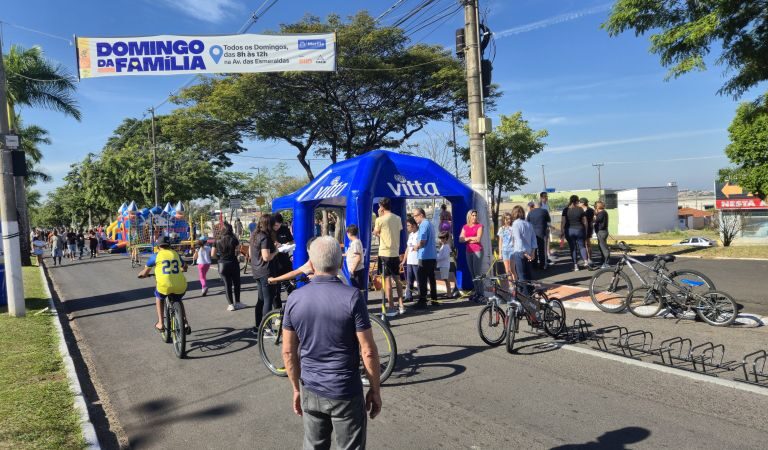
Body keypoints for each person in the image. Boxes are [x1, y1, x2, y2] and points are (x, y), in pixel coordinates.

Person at [281, 236, 381, 449]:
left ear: (311, 262)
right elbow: (368, 351)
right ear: (339, 263)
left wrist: (296, 389)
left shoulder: (295, 299)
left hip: (310, 387)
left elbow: (288, 352)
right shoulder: (352, 297)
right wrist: (375, 389)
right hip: (345, 389)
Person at [137, 236, 190, 335]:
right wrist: (182, 269)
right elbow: (185, 267)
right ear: (169, 245)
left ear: (158, 246)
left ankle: (161, 323)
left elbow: (144, 273)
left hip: (164, 286)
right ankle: (185, 322)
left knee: (159, 297)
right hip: (180, 285)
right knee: (178, 299)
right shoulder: (175, 254)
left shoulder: (155, 256)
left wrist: (141, 275)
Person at [372, 197, 404, 317]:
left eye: (380, 206)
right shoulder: (398, 218)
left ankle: (391, 307)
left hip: (384, 252)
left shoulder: (380, 220)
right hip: (395, 252)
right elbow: (397, 230)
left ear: (382, 206)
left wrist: (379, 218)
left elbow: (376, 232)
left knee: (387, 280)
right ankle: (401, 304)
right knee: (397, 279)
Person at [250, 214, 278, 330]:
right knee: (268, 300)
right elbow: (266, 257)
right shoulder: (265, 237)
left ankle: (258, 326)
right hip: (266, 271)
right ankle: (267, 329)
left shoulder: (255, 235)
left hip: (257, 270)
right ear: (269, 224)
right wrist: (276, 250)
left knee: (261, 300)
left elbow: (252, 255)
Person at [211, 223, 244, 311]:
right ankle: (238, 302)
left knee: (227, 284)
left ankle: (230, 305)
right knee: (237, 283)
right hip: (233, 263)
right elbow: (237, 252)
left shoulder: (217, 240)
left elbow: (212, 254)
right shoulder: (234, 239)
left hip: (222, 264)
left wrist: (220, 258)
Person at [412, 207, 438, 309]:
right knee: (431, 279)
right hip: (432, 255)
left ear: (421, 215)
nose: (414, 218)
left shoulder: (423, 225)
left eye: (415, 216)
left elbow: (422, 241)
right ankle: (434, 299)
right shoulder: (430, 224)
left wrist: (415, 247)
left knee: (422, 279)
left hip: (424, 256)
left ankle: (422, 301)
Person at [511, 206, 537, 296]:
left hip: (520, 252)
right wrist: (532, 253)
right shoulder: (528, 224)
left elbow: (518, 240)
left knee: (522, 277)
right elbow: (534, 239)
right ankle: (532, 295)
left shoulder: (515, 224)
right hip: (529, 252)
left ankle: (525, 298)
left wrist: (524, 252)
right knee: (529, 276)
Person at [459, 209, 484, 301]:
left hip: (477, 250)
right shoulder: (465, 227)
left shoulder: (479, 226)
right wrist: (469, 238)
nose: (474, 217)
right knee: (472, 273)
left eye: (475, 215)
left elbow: (478, 239)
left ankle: (481, 293)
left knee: (477, 273)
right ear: (469, 216)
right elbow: (460, 239)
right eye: (473, 215)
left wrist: (466, 238)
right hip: (468, 251)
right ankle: (477, 292)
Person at [561, 195, 589, 271]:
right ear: (577, 201)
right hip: (580, 229)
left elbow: (563, 222)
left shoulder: (565, 210)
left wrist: (562, 231)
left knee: (573, 248)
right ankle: (586, 261)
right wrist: (586, 230)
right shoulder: (580, 209)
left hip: (569, 230)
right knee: (582, 246)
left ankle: (575, 265)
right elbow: (585, 221)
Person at [272, 213, 295, 306]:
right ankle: (277, 311)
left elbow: (292, 241)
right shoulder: (269, 231)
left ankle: (291, 308)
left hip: (285, 261)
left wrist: (286, 244)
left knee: (290, 287)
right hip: (273, 262)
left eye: (277, 225)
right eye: (274, 225)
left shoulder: (285, 229)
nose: (276, 227)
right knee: (276, 291)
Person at [526, 201, 551, 269]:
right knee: (542, 249)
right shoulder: (544, 211)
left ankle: (534, 265)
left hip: (533, 233)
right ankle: (542, 265)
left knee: (534, 248)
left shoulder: (530, 212)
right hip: (542, 232)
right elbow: (548, 220)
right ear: (541, 205)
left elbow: (527, 221)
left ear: (534, 205)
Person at [401, 217, 420, 303]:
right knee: (409, 280)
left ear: (414, 225)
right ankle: (409, 296)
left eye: (408, 225)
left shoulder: (419, 234)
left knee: (419, 279)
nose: (407, 227)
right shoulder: (411, 235)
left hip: (417, 261)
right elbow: (408, 248)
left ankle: (422, 296)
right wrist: (404, 260)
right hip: (410, 261)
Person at [496, 212, 516, 285]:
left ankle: (515, 285)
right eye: (507, 219)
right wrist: (500, 253)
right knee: (507, 270)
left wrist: (515, 249)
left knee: (512, 269)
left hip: (512, 250)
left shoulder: (513, 228)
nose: (508, 220)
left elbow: (514, 240)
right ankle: (511, 286)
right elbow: (500, 241)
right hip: (504, 251)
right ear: (503, 220)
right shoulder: (501, 229)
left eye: (509, 219)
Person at [345, 224, 366, 291]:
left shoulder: (355, 243)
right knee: (356, 289)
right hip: (355, 270)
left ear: (349, 233)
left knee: (357, 289)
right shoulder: (353, 243)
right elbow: (350, 254)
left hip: (356, 270)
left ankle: (360, 301)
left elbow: (358, 257)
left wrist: (352, 270)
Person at [436, 231, 454, 299]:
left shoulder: (446, 246)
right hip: (443, 264)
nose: (441, 239)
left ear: (446, 238)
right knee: (445, 279)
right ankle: (448, 293)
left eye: (443, 238)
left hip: (445, 265)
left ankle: (449, 294)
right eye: (440, 238)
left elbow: (444, 256)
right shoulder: (443, 246)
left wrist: (436, 258)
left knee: (446, 279)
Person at [594, 201, 611, 268]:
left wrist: (595, 215)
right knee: (601, 246)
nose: (595, 207)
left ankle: (606, 263)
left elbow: (596, 220)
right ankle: (603, 261)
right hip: (601, 231)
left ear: (598, 206)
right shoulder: (602, 212)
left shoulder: (602, 213)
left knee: (604, 247)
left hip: (602, 232)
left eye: (595, 206)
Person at [539, 191, 554, 264]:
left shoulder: (547, 205)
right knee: (543, 241)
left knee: (547, 240)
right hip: (542, 225)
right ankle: (544, 257)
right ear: (541, 198)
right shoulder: (540, 205)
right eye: (544, 197)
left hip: (547, 225)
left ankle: (548, 253)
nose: (546, 198)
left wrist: (549, 225)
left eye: (547, 196)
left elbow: (548, 216)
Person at [580, 198, 595, 264]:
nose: (578, 204)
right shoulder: (580, 210)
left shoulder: (590, 210)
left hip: (588, 228)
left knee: (587, 243)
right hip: (581, 228)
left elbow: (592, 220)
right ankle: (584, 258)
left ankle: (589, 258)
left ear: (582, 203)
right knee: (582, 244)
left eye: (579, 202)